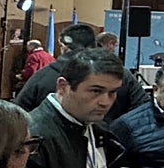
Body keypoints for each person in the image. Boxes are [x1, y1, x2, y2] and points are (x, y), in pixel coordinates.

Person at [15, 24, 148, 123]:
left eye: (112, 92)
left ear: (64, 46)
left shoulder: (42, 76)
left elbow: (18, 115)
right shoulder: (122, 74)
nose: (105, 102)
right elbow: (143, 110)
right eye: (96, 91)